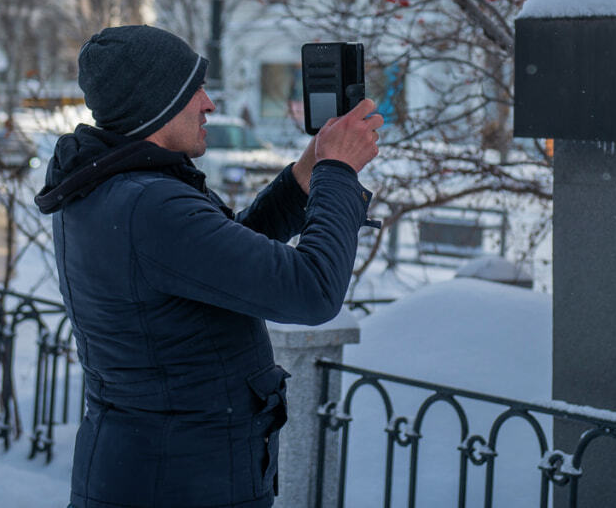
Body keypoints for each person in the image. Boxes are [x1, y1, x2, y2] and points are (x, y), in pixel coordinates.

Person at [35, 25, 382, 508]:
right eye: (192, 89)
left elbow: (222, 262)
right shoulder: (149, 206)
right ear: (155, 104)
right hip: (177, 484)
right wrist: (338, 175)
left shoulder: (121, 189)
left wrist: (304, 178)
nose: (209, 104)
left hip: (157, 472)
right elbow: (311, 291)